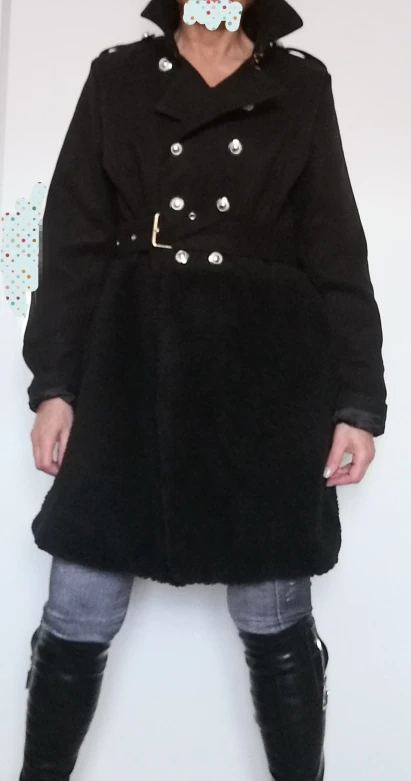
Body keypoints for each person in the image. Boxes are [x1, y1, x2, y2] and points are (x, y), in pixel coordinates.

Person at [19, 0, 387, 778]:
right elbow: (72, 240)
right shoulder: (117, 78)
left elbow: (335, 247)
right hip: (125, 367)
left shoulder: (300, 85)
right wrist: (54, 383)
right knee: (78, 605)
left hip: (266, 380)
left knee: (273, 611)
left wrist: (357, 401)